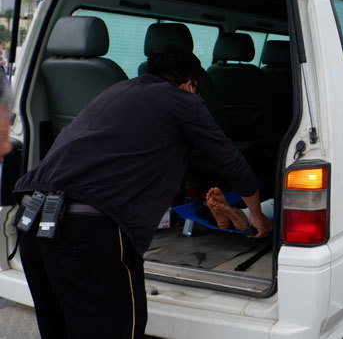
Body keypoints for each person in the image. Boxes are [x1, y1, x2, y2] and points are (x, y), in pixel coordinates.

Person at [13, 45, 270, 339]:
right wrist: (257, 214)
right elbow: (230, 160)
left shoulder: (117, 90)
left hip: (31, 221)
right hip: (87, 231)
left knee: (60, 330)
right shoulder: (182, 100)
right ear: (189, 84)